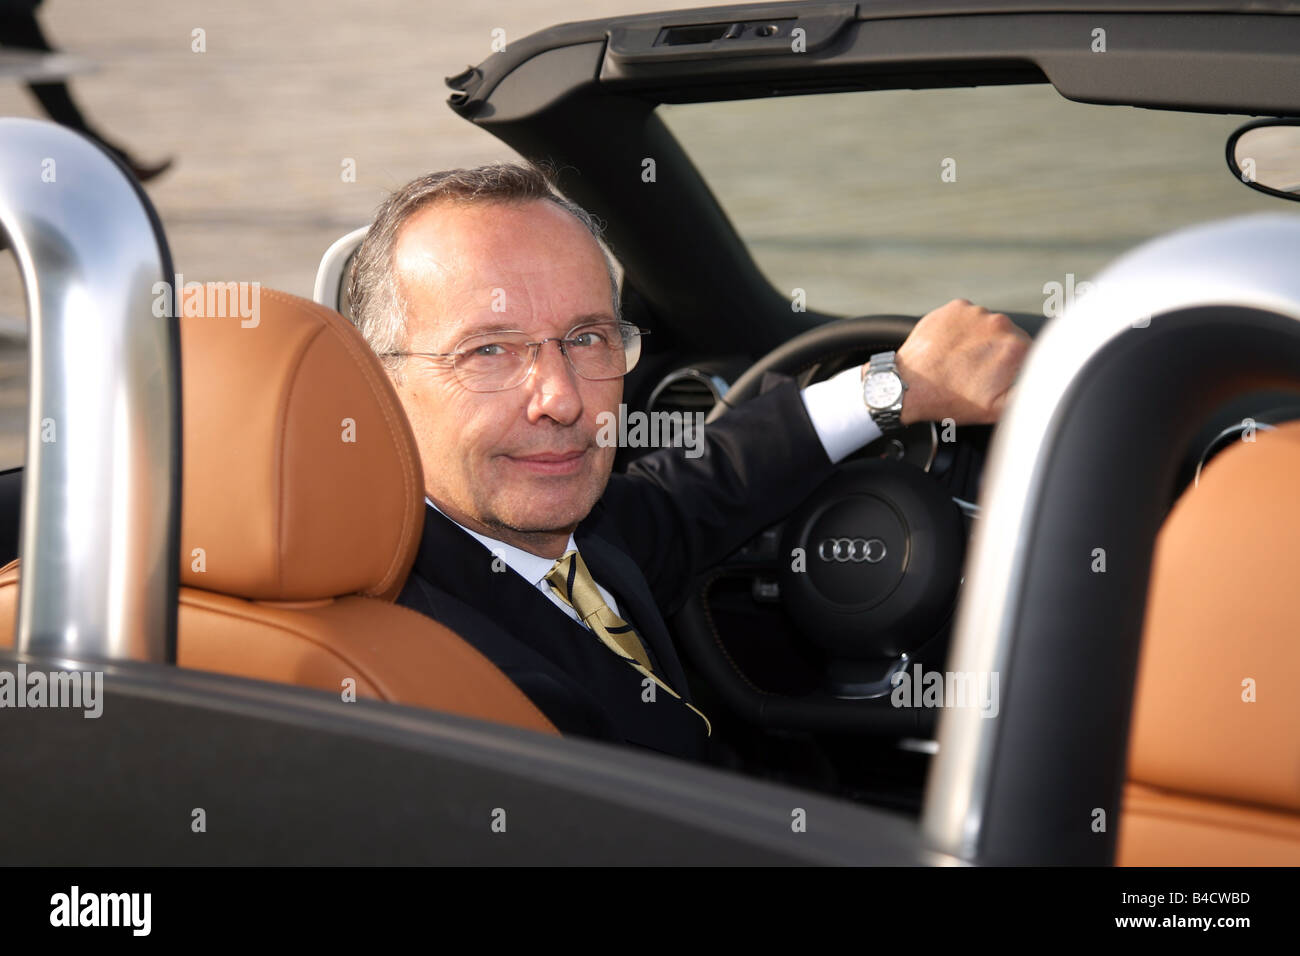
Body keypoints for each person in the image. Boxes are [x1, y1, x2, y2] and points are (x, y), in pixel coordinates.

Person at [347, 163, 1030, 762]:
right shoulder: (464, 689)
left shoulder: (554, 537)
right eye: (488, 350)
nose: (560, 398)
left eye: (587, 338)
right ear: (381, 385)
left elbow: (695, 493)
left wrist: (893, 386)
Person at [0, 0, 172, 182]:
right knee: (55, 96)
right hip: (11, 10)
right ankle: (115, 162)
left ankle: (114, 161)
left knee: (55, 95)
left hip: (12, 11)